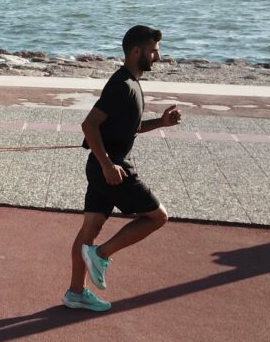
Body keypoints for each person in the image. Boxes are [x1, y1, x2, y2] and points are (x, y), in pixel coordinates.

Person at [63, 25, 182, 312]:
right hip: (112, 169)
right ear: (136, 51)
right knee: (157, 217)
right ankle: (101, 255)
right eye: (153, 51)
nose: (158, 57)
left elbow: (131, 127)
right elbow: (89, 125)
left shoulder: (131, 84)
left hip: (102, 167)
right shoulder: (122, 86)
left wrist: (161, 123)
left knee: (90, 228)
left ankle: (76, 293)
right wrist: (108, 165)